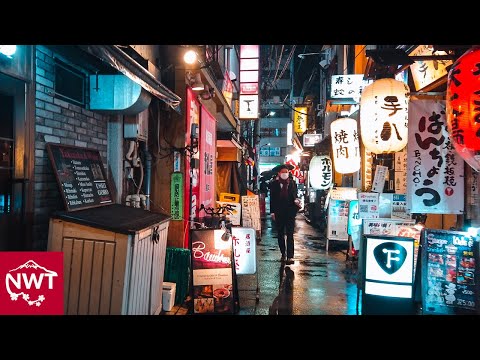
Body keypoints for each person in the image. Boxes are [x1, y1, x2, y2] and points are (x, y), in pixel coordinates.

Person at [269, 165, 301, 265]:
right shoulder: (274, 184)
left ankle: (290, 256)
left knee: (290, 234)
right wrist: (272, 212)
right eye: (282, 172)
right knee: (280, 233)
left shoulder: (292, 183)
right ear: (279, 173)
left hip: (290, 212)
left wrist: (297, 201)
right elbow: (272, 199)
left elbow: (295, 195)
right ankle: (283, 253)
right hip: (279, 212)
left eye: (286, 172)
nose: (284, 174)